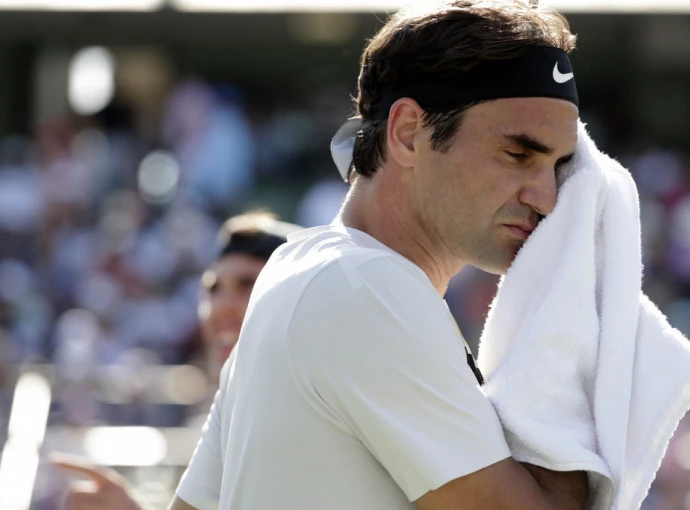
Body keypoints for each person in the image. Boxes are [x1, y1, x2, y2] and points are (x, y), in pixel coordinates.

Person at [171, 1, 588, 509]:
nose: (548, 198)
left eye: (561, 167)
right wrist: (574, 330)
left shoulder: (297, 265)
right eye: (518, 154)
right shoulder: (367, 287)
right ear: (408, 132)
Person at [50, 211, 300, 510]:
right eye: (213, 290)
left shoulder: (316, 407)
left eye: (248, 285)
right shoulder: (232, 413)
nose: (219, 307)